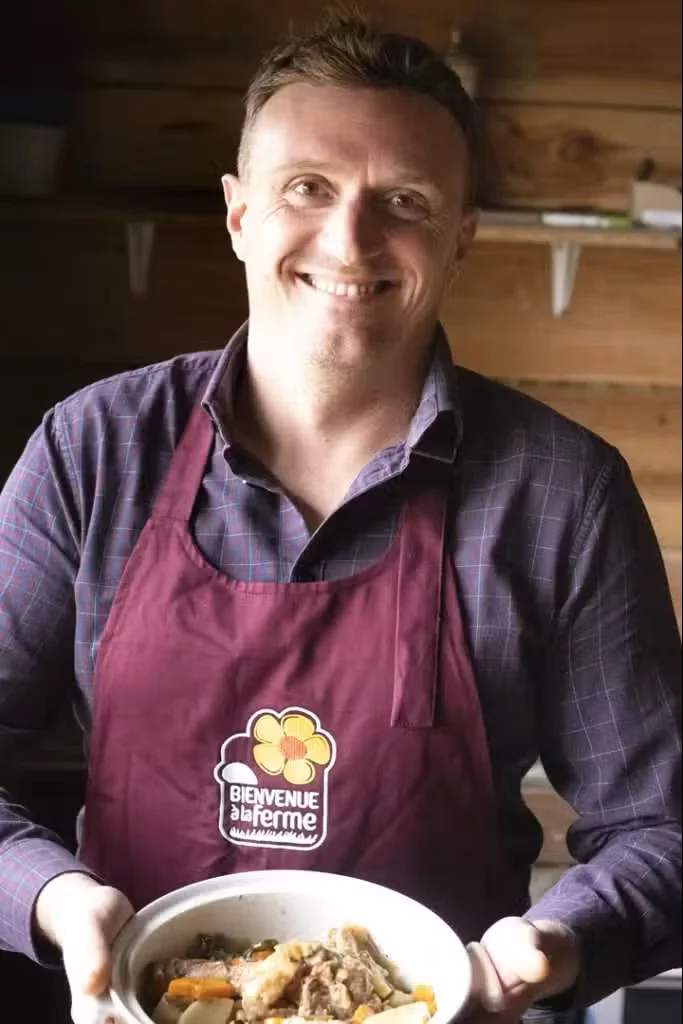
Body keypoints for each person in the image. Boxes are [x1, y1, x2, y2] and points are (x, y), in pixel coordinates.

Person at [0, 12, 680, 1024]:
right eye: (306, 187)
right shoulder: (91, 451)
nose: (349, 239)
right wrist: (54, 897)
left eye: (403, 200)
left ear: (459, 238)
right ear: (239, 215)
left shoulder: (561, 492)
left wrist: (552, 942)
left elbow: (659, 826)